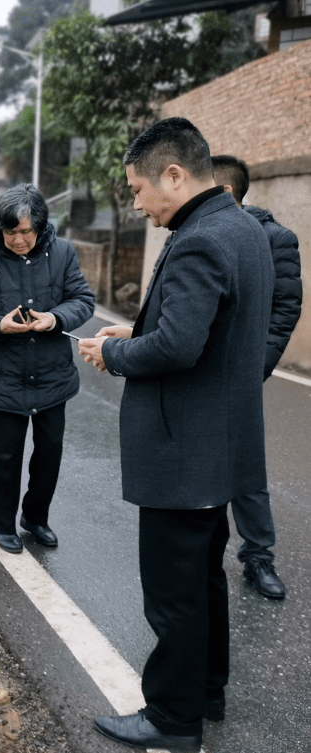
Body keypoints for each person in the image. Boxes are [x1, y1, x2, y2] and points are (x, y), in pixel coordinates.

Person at [79, 118, 273, 753]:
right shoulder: (243, 228)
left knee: (172, 595)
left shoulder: (198, 240)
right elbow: (210, 333)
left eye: (138, 190)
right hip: (220, 444)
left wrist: (116, 355)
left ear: (174, 174)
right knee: (202, 580)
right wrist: (127, 336)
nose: (137, 204)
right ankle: (206, 691)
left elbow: (178, 346)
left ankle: (171, 718)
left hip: (183, 448)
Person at [0, 184, 94, 554]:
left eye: (26, 231)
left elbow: (83, 301)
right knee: (5, 457)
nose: (19, 240)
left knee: (49, 453)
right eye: (11, 232)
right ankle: (3, 525)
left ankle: (35, 517)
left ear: (41, 226)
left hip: (53, 376)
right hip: (4, 377)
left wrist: (54, 317)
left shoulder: (63, 253)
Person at [210, 154, 301, 599]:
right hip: (193, 372)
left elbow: (284, 310)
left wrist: (253, 368)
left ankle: (259, 556)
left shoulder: (275, 239)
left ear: (225, 192)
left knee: (247, 468)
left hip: (240, 376)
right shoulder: (195, 231)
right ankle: (203, 551)